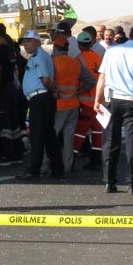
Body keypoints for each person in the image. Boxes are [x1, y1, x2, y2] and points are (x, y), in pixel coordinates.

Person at [94, 23, 133, 194]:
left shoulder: (112, 51)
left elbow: (102, 77)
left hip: (112, 99)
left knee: (110, 142)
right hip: (132, 101)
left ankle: (109, 182)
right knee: (132, 143)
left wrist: (97, 100)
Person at [17, 30, 62, 180]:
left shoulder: (39, 57)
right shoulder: (37, 56)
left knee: (37, 136)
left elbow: (45, 79)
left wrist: (53, 90)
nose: (26, 44)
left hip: (40, 98)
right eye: (24, 41)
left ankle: (33, 170)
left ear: (37, 42)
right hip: (41, 98)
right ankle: (57, 168)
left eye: (29, 41)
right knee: (49, 136)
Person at [50, 36, 95, 173]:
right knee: (69, 137)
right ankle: (68, 165)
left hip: (59, 105)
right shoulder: (75, 63)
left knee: (52, 135)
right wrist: (77, 92)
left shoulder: (53, 62)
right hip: (73, 104)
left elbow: (48, 81)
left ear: (55, 48)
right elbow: (90, 81)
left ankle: (45, 165)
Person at [0, 26, 24, 166]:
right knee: (14, 122)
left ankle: (7, 155)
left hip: (2, 90)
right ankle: (18, 152)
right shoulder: (10, 49)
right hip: (11, 88)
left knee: (4, 123)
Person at [73, 32, 104, 171]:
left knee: (80, 132)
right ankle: (96, 158)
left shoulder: (78, 59)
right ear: (91, 43)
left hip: (85, 102)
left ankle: (70, 160)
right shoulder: (98, 57)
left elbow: (82, 80)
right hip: (99, 101)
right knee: (97, 132)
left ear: (79, 44)